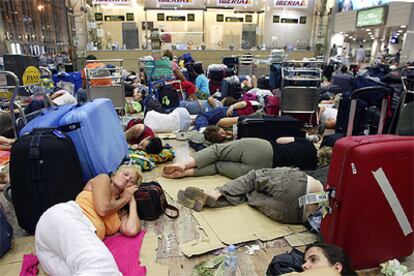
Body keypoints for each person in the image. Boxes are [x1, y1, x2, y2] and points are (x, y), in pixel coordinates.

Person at [35, 164, 142, 275]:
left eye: (131, 180)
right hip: (66, 218)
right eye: (125, 174)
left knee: (82, 271)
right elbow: (103, 209)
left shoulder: (120, 210)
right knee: (101, 266)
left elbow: (131, 230)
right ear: (115, 174)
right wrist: (125, 198)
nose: (127, 179)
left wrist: (132, 201)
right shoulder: (103, 179)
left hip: (54, 250)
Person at [176, 167, 323, 224]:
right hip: (294, 217)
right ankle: (214, 198)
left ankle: (217, 193)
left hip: (300, 186)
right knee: (248, 194)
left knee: (253, 177)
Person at [162, 137, 317, 180]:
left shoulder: (308, 144)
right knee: (218, 167)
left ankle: (183, 164)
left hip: (264, 148)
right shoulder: (313, 167)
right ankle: (184, 174)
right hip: (265, 170)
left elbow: (280, 140)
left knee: (217, 151)